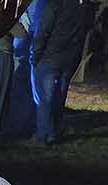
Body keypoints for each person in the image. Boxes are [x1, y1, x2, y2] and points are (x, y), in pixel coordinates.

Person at [30, 0, 88, 143]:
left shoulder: (55, 4)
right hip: (69, 58)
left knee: (44, 98)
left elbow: (43, 30)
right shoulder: (83, 7)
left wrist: (35, 55)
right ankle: (55, 130)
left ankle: (44, 134)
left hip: (50, 56)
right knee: (59, 97)